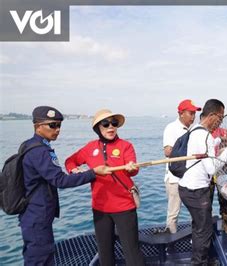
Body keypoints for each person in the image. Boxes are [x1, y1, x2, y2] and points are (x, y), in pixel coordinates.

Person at [20, 106, 110, 266]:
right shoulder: (39, 151)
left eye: (59, 125)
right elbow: (60, 180)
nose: (57, 130)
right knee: (40, 258)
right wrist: (93, 173)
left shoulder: (29, 145)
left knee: (39, 255)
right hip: (37, 215)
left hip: (33, 213)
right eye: (52, 125)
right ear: (38, 126)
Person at [65, 109, 145, 266]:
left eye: (114, 124)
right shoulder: (90, 148)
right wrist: (74, 170)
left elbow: (134, 169)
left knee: (132, 251)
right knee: (104, 250)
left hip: (124, 207)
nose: (111, 127)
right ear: (97, 128)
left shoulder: (126, 146)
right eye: (106, 124)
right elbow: (70, 161)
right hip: (100, 208)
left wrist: (131, 168)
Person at [178, 99, 227, 264]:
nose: (221, 121)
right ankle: (199, 263)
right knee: (204, 231)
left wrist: (218, 141)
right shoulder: (205, 136)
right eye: (221, 118)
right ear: (212, 116)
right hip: (196, 192)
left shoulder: (195, 130)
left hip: (186, 189)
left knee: (198, 227)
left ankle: (201, 260)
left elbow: (203, 152)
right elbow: (212, 169)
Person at [161, 99, 201, 234]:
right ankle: (170, 242)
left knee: (195, 212)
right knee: (173, 213)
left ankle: (194, 239)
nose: (193, 116)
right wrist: (188, 150)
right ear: (181, 113)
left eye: (194, 113)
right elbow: (167, 151)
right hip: (174, 179)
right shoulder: (171, 128)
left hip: (192, 179)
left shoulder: (195, 128)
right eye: (190, 113)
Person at [210, 127, 227, 235]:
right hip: (208, 169)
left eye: (219, 118)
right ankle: (207, 225)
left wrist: (224, 149)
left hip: (223, 168)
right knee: (207, 198)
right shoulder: (201, 133)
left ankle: (226, 222)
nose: (217, 121)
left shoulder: (224, 131)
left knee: (225, 197)